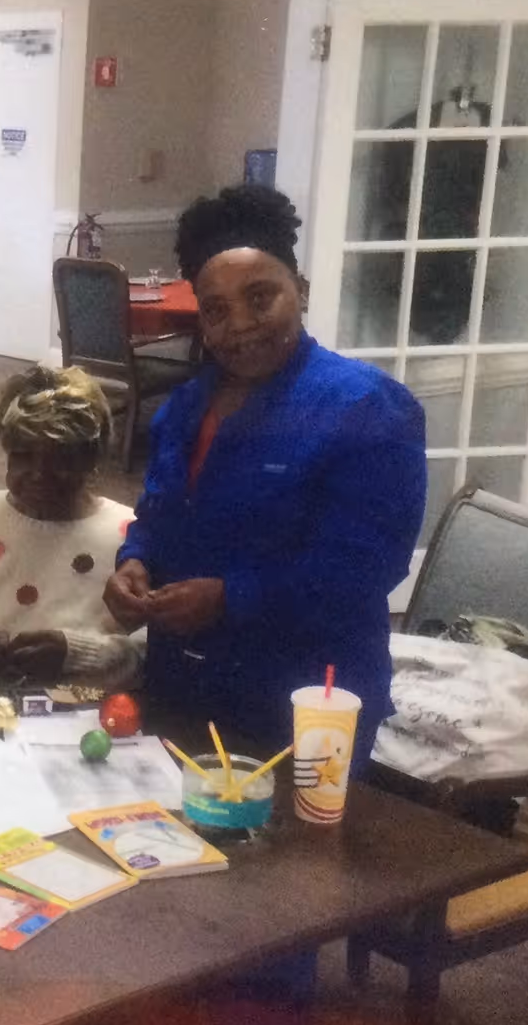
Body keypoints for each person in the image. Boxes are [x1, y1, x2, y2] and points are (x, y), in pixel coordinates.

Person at [103, 184, 425, 765]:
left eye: (261, 297)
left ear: (299, 291)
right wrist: (135, 562)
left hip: (307, 698)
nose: (240, 324)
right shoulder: (185, 407)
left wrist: (231, 597)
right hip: (185, 684)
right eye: (216, 310)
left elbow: (365, 567)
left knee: (293, 853)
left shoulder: (365, 407)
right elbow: (156, 515)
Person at [0, 365, 142, 689]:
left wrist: (75, 653)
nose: (38, 473)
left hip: (84, 723)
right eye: (22, 456)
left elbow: (146, 650)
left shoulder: (128, 534)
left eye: (60, 459)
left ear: (92, 460)